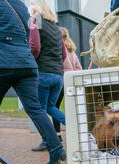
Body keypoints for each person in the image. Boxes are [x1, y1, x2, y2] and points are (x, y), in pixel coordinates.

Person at [0, 0, 66, 164]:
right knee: (35, 108)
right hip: (25, 63)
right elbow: (30, 32)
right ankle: (56, 148)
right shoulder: (19, 3)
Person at [29, 0, 67, 152]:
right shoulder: (57, 28)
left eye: (31, 4)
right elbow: (64, 54)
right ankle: (74, 126)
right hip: (58, 76)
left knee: (41, 109)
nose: (29, 7)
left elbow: (35, 47)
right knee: (51, 107)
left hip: (43, 73)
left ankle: (47, 141)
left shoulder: (35, 20)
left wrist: (32, 62)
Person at [51, 27, 83, 142]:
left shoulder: (57, 48)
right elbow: (79, 67)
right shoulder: (71, 50)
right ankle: (78, 132)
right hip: (71, 82)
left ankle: (58, 134)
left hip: (61, 80)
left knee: (54, 106)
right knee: (73, 107)